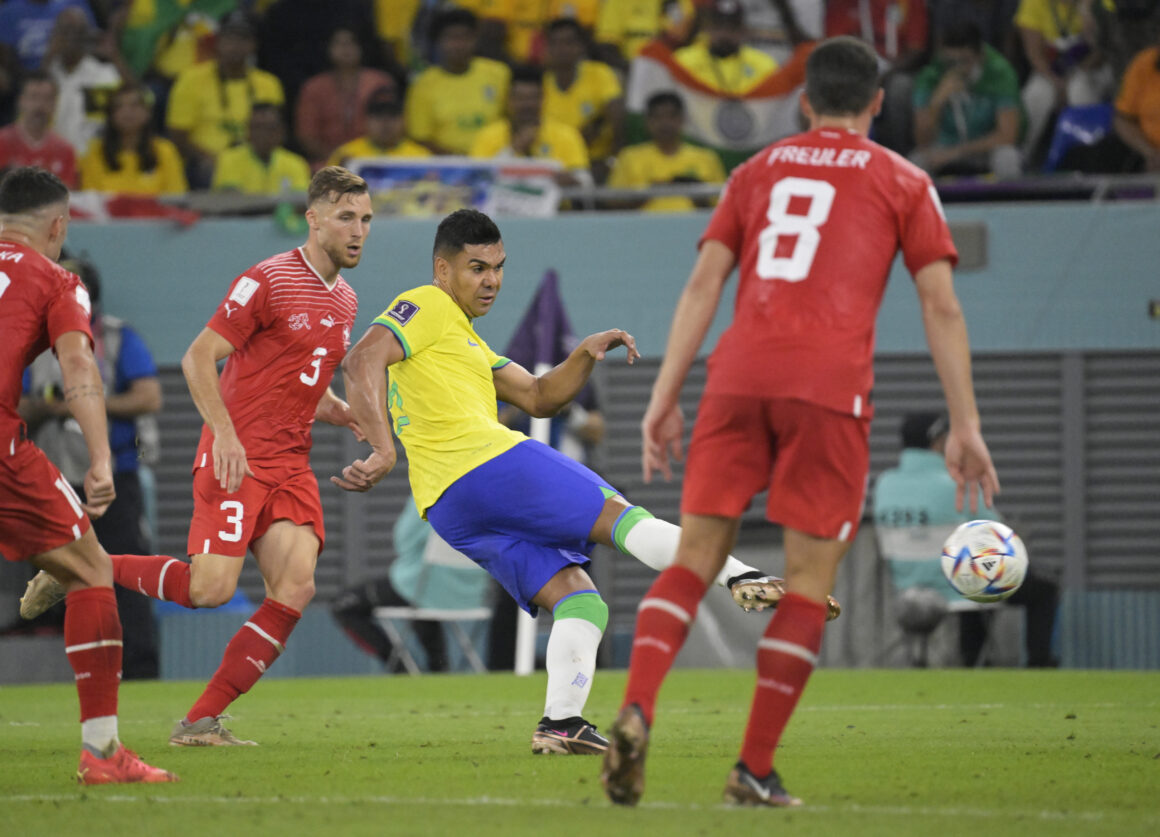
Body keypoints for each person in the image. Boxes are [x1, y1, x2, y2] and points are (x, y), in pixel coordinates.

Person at [601, 36, 999, 808]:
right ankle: (752, 767)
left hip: (736, 376)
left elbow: (702, 285)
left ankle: (639, 705)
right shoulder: (905, 179)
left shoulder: (755, 171)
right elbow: (941, 303)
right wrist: (965, 424)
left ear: (805, 103)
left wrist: (663, 393)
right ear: (878, 104)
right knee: (809, 585)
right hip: (827, 390)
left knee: (693, 559)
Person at [334, 208, 836, 757]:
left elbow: (540, 396)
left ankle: (560, 723)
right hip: (487, 464)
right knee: (621, 517)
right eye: (476, 268)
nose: (491, 281)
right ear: (442, 269)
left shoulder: (465, 341)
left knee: (580, 601)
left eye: (498, 268)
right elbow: (361, 360)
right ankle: (744, 578)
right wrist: (383, 448)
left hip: (450, 508)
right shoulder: (426, 303)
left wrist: (584, 353)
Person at [21, 166, 373, 746]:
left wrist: (342, 410)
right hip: (235, 456)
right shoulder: (267, 279)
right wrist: (226, 436)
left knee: (297, 586)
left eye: (365, 219)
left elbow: (301, 379)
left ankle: (200, 721)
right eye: (345, 218)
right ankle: (83, 566)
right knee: (208, 590)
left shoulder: (347, 298)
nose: (358, 230)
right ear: (312, 220)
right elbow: (196, 358)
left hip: (289, 463)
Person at [0, 166, 177, 783]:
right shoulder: (55, 278)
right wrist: (100, 457)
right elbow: (78, 367)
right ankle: (102, 754)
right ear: (57, 225)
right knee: (94, 570)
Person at [19, 256, 164, 680]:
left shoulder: (118, 337)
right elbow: (18, 406)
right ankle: (76, 671)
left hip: (115, 474)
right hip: (53, 477)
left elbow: (149, 397)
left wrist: (85, 403)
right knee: (55, 579)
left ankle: (139, 671)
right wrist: (46, 408)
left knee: (125, 570)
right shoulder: (32, 342)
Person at [874, 411, 1059, 668]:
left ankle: (975, 659)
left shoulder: (884, 484)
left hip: (909, 590)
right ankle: (1037, 664)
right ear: (937, 441)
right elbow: (998, 531)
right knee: (1040, 586)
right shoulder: (956, 483)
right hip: (961, 589)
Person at [331, 495, 491, 672]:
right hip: (471, 597)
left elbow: (402, 542)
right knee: (422, 603)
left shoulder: (427, 494)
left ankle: (401, 669)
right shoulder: (482, 497)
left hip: (418, 589)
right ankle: (439, 668)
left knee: (342, 606)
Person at [164, 11, 284, 188]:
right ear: (218, 42)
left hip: (255, 160)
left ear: (254, 45)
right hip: (207, 162)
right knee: (210, 172)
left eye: (243, 40)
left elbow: (276, 132)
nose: (235, 46)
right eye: (229, 39)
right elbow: (178, 135)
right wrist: (211, 159)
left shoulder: (269, 84)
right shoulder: (191, 79)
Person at [910, 21, 1023, 178]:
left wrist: (957, 152)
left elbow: (1007, 136)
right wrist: (937, 102)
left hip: (985, 150)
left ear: (980, 56)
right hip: (942, 149)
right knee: (915, 164)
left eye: (964, 61)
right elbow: (922, 142)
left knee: (1007, 158)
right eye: (950, 62)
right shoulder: (931, 75)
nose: (957, 69)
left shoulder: (1000, 73)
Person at [404, 8, 512, 155]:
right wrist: (459, 162)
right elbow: (420, 138)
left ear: (475, 39)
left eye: (465, 37)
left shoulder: (499, 73)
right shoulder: (423, 84)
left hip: (497, 159)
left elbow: (512, 120)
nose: (459, 45)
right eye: (451, 38)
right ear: (438, 42)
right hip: (446, 167)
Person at [294, 26, 399, 169]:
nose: (346, 49)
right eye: (339, 43)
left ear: (361, 47)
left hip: (374, 159)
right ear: (328, 48)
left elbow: (391, 123)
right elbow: (307, 135)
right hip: (327, 162)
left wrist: (361, 160)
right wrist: (338, 158)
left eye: (351, 43)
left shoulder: (380, 81)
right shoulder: (314, 87)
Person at [607, 90, 727, 211]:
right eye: (658, 117)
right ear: (647, 121)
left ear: (682, 120)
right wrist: (648, 194)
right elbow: (613, 203)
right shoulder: (629, 157)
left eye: (671, 116)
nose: (665, 123)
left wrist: (695, 193)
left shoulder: (707, 158)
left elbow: (722, 206)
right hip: (642, 228)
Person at [470, 65, 591, 185]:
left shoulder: (565, 134)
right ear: (509, 100)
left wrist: (570, 179)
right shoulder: (488, 135)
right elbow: (478, 178)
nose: (527, 105)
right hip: (502, 204)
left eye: (533, 98)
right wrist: (513, 149)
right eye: (520, 98)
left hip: (557, 204)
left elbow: (586, 181)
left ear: (543, 99)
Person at [542, 16, 626, 181]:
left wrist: (611, 161)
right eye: (555, 43)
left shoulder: (600, 73)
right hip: (555, 166)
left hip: (596, 161)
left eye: (568, 42)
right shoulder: (541, 85)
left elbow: (619, 120)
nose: (562, 49)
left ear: (580, 46)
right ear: (548, 48)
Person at [80, 82, 188, 196]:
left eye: (134, 105)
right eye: (119, 106)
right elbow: (90, 199)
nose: (127, 112)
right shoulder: (95, 152)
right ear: (110, 115)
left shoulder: (165, 151)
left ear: (148, 113)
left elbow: (175, 198)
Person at [44, 7, 123, 156]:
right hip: (47, 161)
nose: (70, 37)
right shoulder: (48, 73)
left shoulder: (102, 75)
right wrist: (49, 55)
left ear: (86, 36)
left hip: (88, 160)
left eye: (77, 31)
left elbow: (100, 126)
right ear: (54, 35)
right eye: (64, 31)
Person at [211, 103, 311, 195]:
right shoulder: (228, 159)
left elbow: (300, 203)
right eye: (257, 127)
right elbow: (230, 200)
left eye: (269, 128)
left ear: (281, 132)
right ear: (248, 131)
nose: (262, 134)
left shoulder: (296, 163)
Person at [0, 72, 77, 187]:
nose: (40, 105)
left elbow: (69, 197)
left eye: (47, 99)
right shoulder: (2, 141)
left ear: (55, 104)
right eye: (34, 97)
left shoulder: (66, 150)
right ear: (21, 101)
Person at [326, 89, 432, 168]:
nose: (385, 123)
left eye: (392, 116)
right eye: (378, 116)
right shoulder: (346, 154)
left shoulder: (421, 156)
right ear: (365, 121)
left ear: (404, 121)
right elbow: (324, 193)